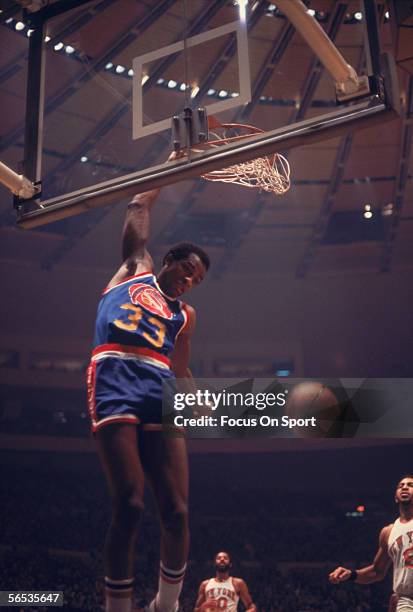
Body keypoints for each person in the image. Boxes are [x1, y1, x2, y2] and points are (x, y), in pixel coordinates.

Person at [87, 160, 210, 612]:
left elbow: (179, 370)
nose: (190, 281)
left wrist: (197, 398)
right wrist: (174, 164)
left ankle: (167, 605)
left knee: (177, 511)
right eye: (188, 270)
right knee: (132, 505)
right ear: (170, 259)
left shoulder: (185, 315)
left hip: (159, 386)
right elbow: (138, 202)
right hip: (115, 375)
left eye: (198, 280)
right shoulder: (134, 269)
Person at [329, 475, 413, 612]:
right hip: (406, 601)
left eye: (410, 485)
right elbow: (377, 571)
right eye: (400, 485)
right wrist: (351, 574)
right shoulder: (388, 532)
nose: (404, 487)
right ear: (396, 497)